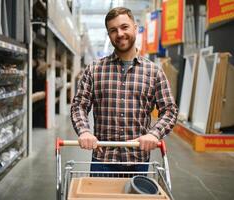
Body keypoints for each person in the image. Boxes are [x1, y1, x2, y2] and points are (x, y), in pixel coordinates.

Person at [70, 7, 178, 174]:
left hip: (138, 161)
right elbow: (79, 105)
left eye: (124, 27)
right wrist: (84, 130)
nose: (119, 34)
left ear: (135, 27)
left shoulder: (154, 71)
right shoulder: (94, 69)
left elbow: (170, 110)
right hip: (103, 160)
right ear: (109, 35)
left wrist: (154, 134)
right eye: (113, 30)